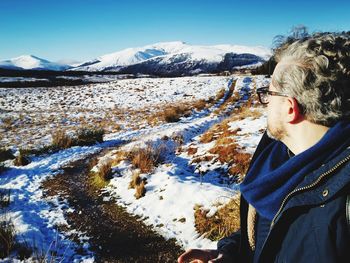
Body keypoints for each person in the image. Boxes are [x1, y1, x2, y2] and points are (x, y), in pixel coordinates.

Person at [178, 32, 350, 263]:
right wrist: (231, 253)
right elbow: (275, 233)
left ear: (290, 108)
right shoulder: (278, 158)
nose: (266, 103)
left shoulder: (342, 203)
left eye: (269, 94)